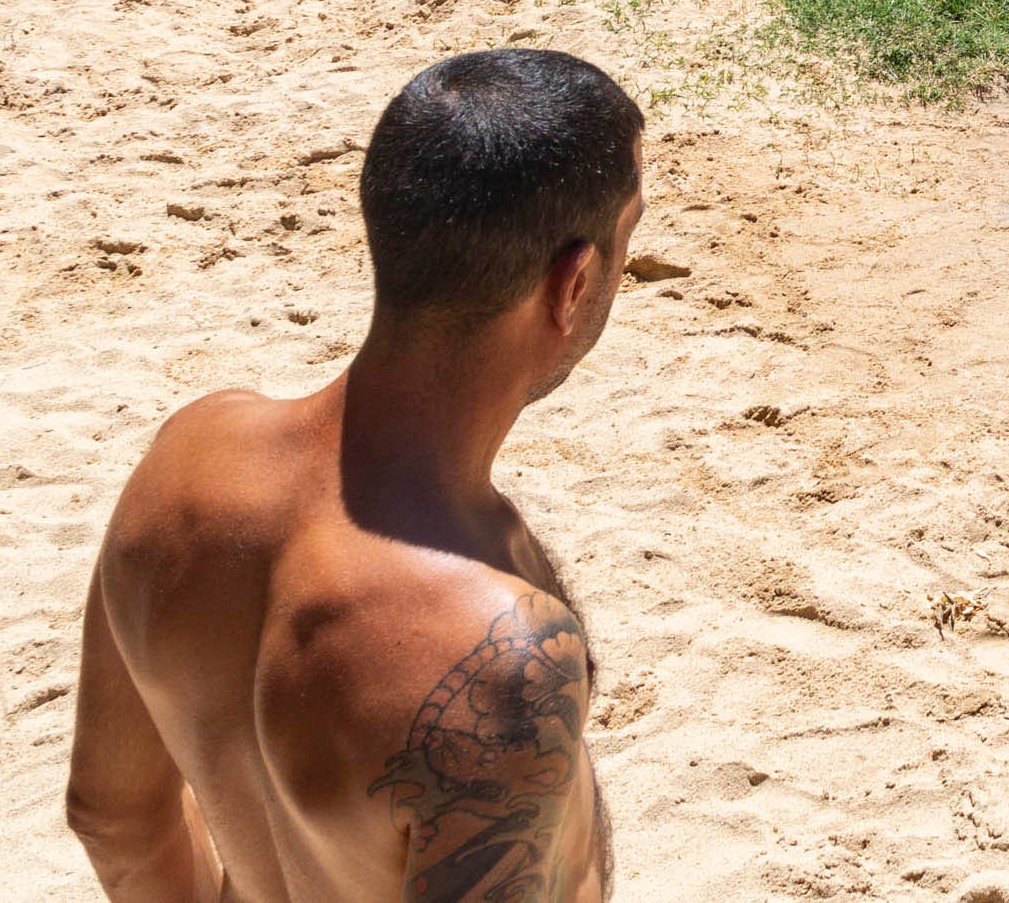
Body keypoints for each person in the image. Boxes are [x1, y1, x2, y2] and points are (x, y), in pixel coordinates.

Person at [68, 49, 646, 903]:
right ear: (574, 282)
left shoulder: (183, 463)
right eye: (628, 237)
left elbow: (111, 816)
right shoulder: (498, 659)